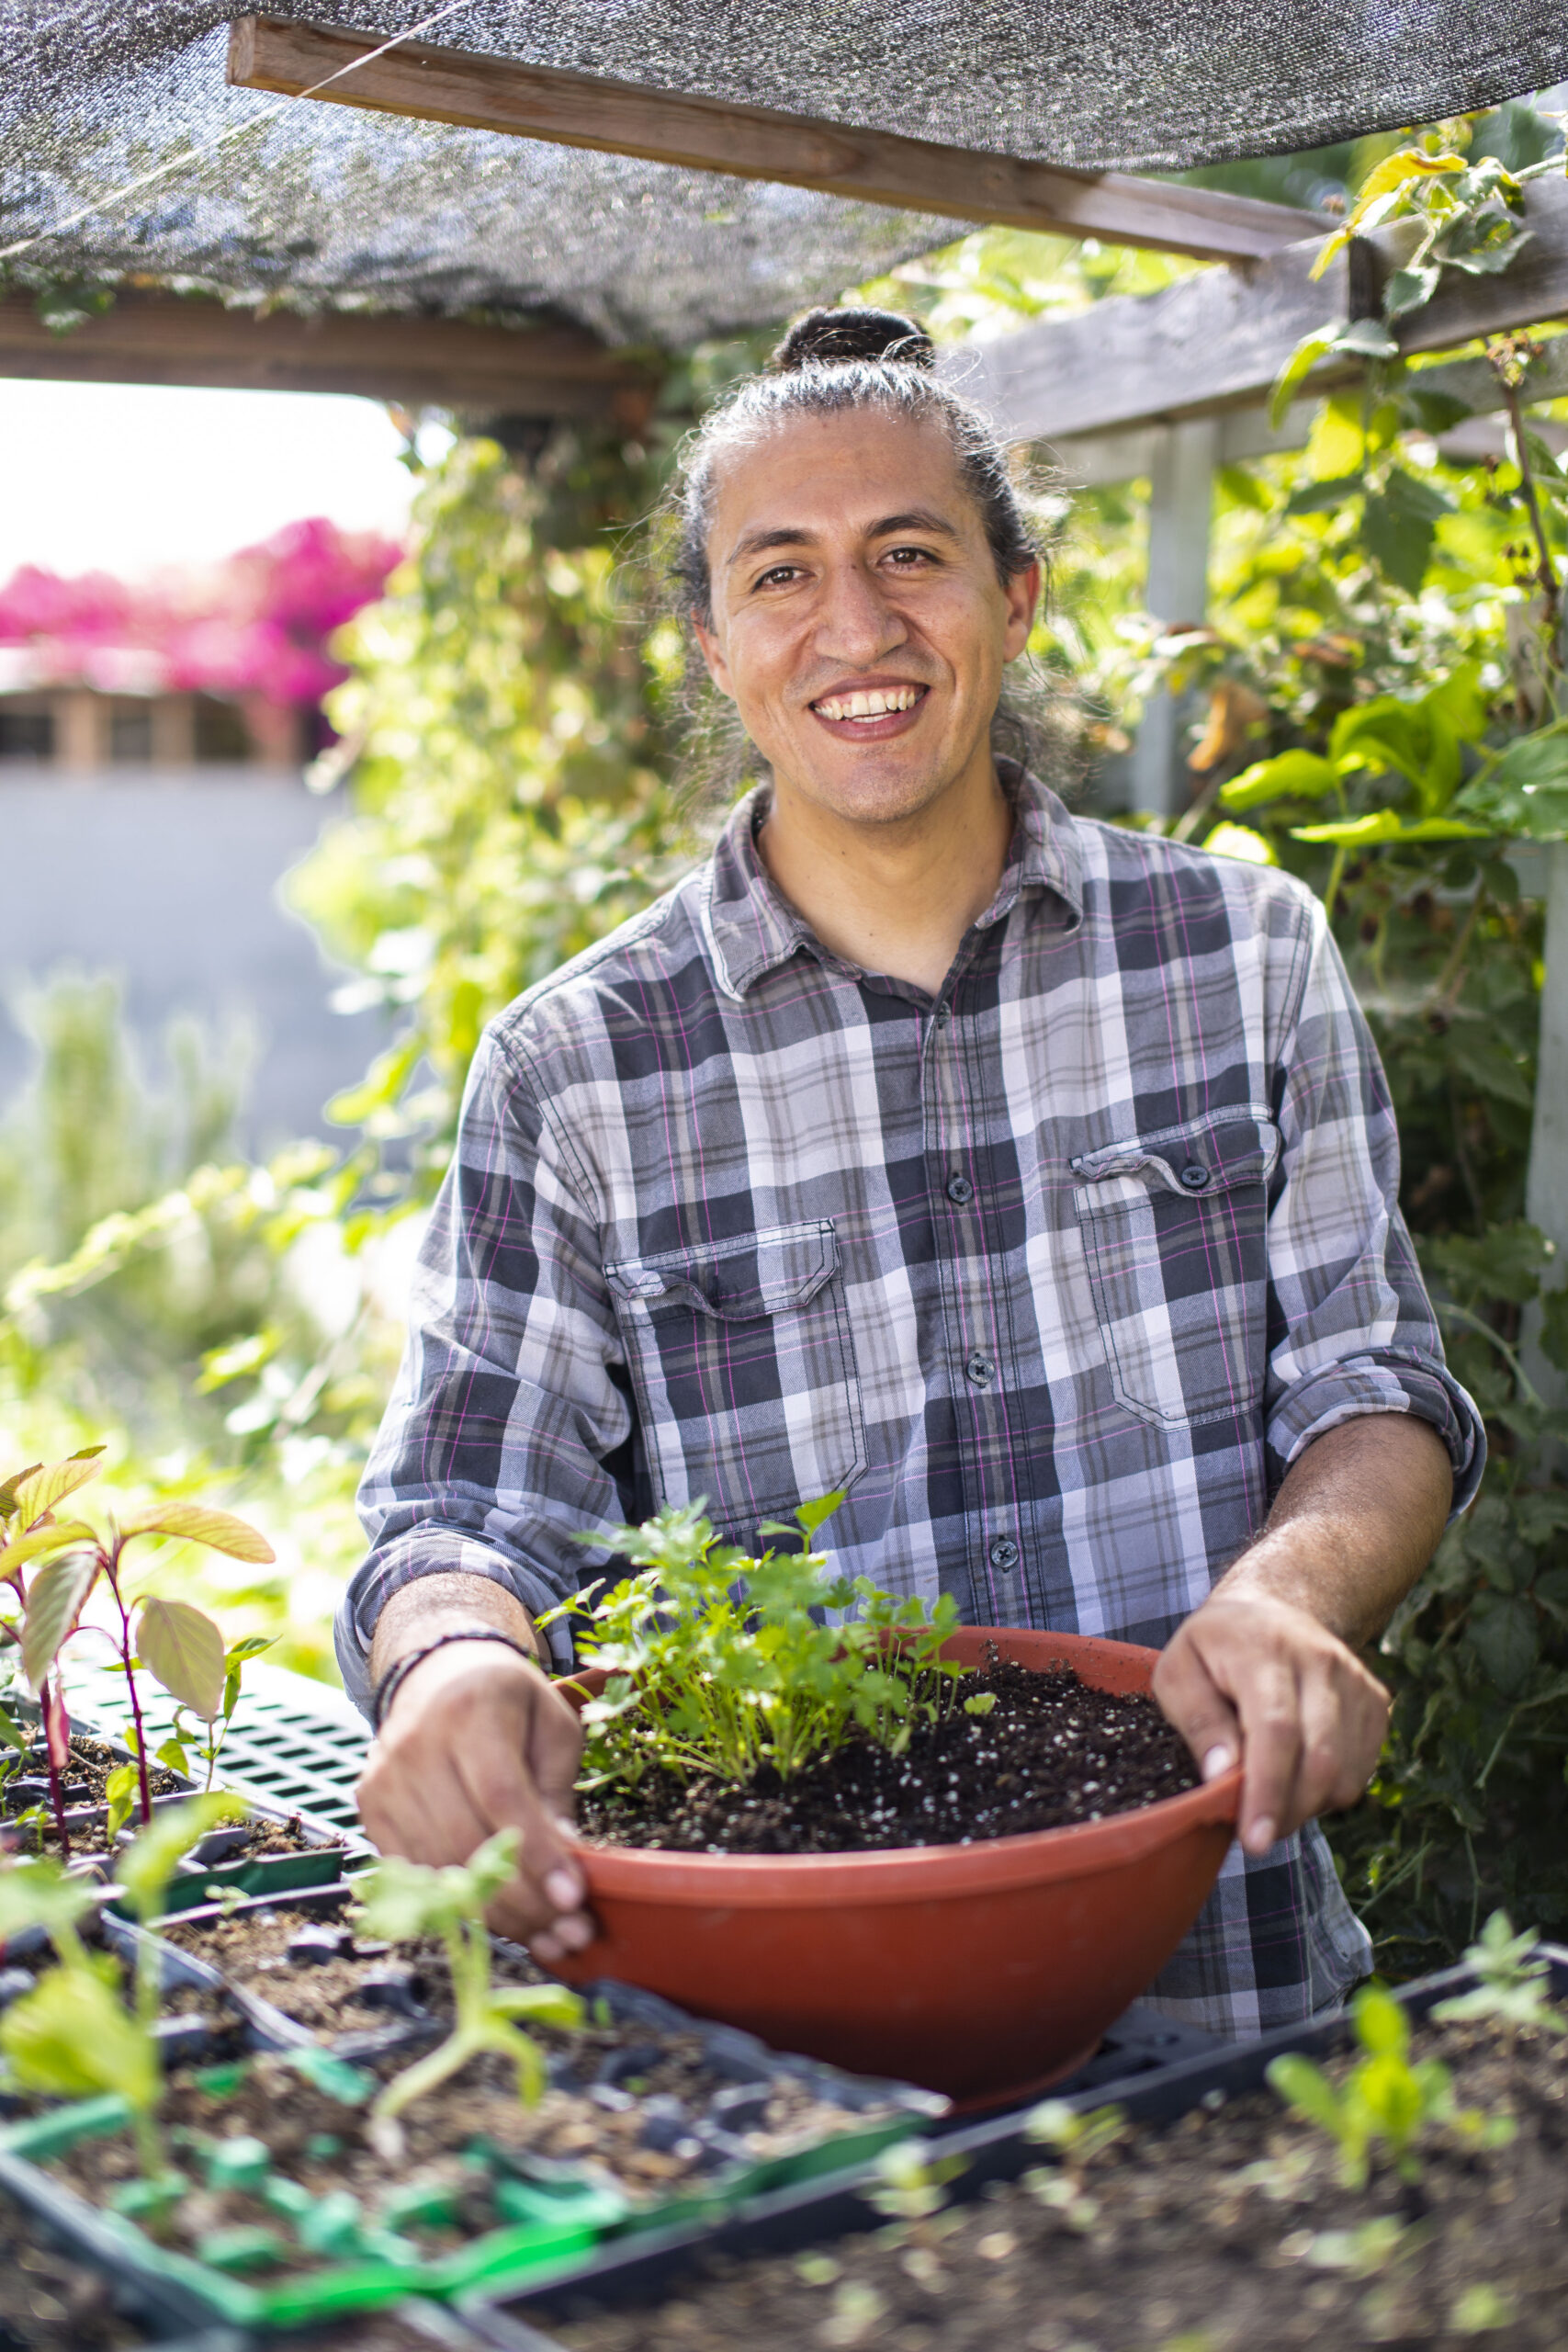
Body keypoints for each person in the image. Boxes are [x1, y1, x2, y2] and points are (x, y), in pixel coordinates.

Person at [338, 307, 1482, 2035]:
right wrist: (456, 1658)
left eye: (911, 554)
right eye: (780, 573)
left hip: (1226, 1975)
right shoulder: (583, 1065)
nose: (856, 626)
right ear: (715, 643)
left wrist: (1289, 1592)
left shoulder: (1241, 956)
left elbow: (1375, 1384)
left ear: (1016, 598)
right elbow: (467, 1505)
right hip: (792, 2041)